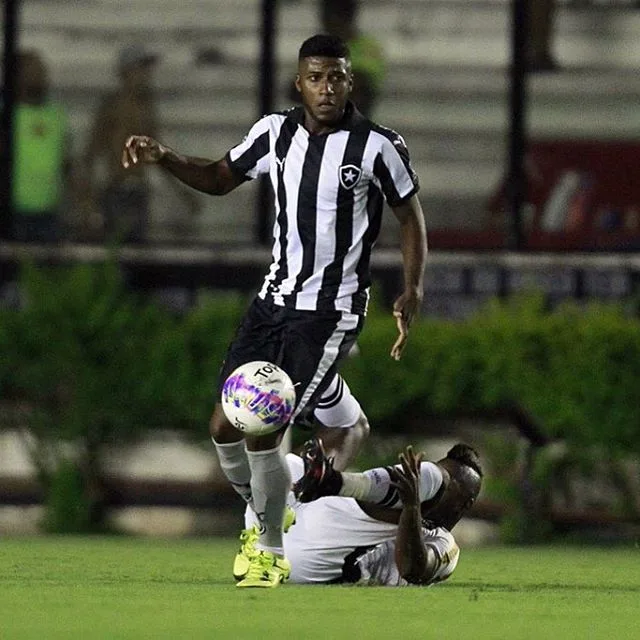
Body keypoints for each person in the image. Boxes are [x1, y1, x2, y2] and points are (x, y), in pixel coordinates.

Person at [121, 33, 427, 588]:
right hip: (272, 303)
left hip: (330, 311)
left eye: (336, 76)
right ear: (299, 82)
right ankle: (273, 503)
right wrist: (164, 155)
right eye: (316, 77)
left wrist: (413, 288)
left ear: (349, 81)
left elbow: (410, 216)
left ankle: (267, 548)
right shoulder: (275, 133)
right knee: (222, 425)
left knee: (266, 422)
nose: (327, 87)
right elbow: (218, 178)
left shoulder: (377, 147)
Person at [241, 440, 482, 585]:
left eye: (452, 487)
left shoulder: (443, 543)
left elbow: (414, 571)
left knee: (433, 476)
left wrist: (411, 507)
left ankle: (337, 481)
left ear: (464, 503)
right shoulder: (395, 496)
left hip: (309, 559)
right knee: (290, 463)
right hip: (292, 516)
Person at [83, 44, 198, 244]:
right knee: (116, 251)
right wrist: (89, 202)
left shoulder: (146, 108)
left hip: (138, 193)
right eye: (141, 68)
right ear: (126, 72)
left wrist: (182, 190)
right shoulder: (112, 106)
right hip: (116, 191)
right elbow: (92, 153)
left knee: (136, 251)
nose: (146, 75)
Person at [4, 50, 70, 242]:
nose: (39, 76)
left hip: (48, 212)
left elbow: (66, 159)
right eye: (32, 71)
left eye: (41, 71)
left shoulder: (55, 115)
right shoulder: (7, 114)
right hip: (13, 211)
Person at [288, 0, 386, 119]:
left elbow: (360, 86)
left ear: (347, 17)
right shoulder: (316, 46)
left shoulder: (367, 48)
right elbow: (294, 90)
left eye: (332, 16)